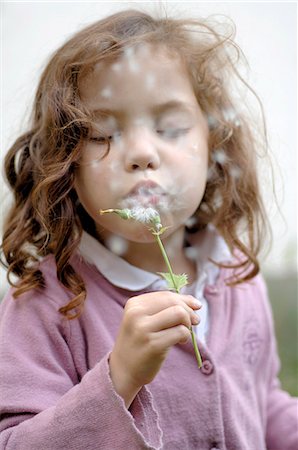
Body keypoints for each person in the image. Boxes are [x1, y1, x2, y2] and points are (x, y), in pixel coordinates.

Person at [0, 8, 297, 450]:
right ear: (66, 165)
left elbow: (260, 402)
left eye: (170, 128)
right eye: (102, 134)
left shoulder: (234, 273)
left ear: (213, 145)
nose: (141, 152)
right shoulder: (45, 302)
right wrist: (119, 378)